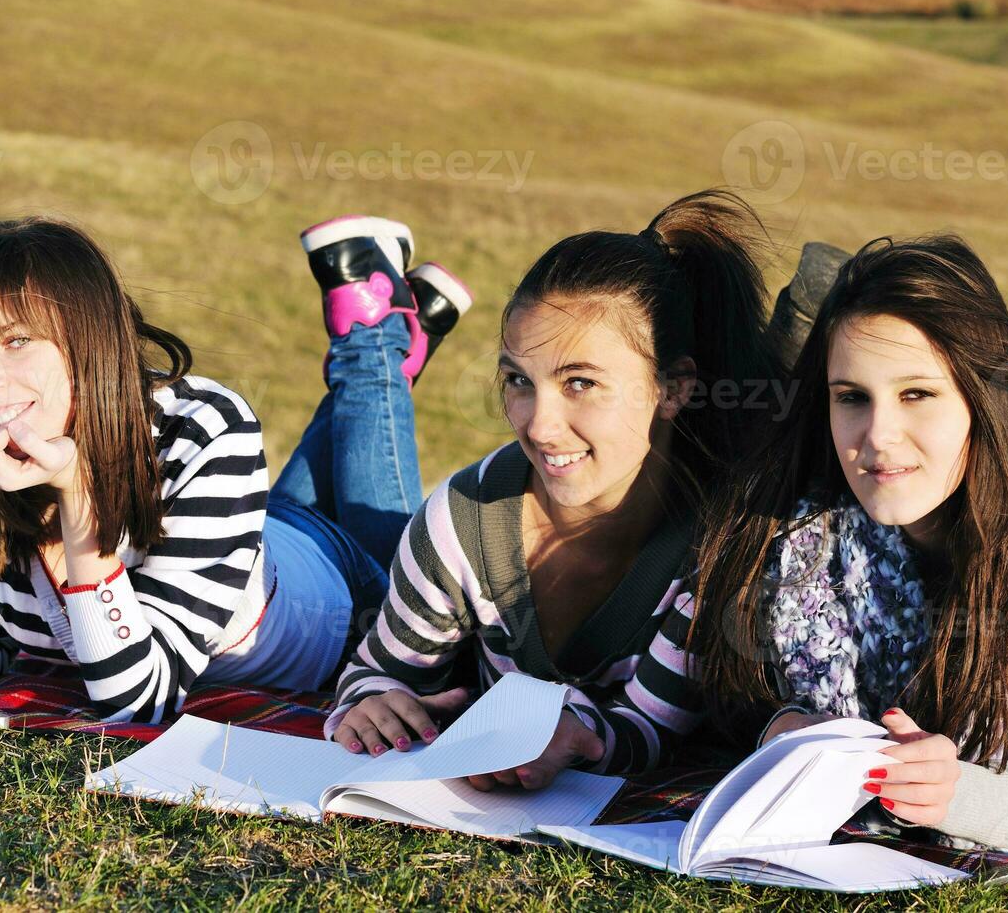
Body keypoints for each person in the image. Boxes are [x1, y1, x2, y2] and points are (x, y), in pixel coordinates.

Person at [0, 213, 473, 722]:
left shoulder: (205, 428)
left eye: (18, 343)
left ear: (86, 340)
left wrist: (71, 510)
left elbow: (138, 699)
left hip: (334, 586)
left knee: (377, 516)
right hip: (228, 536)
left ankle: (373, 335)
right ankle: (399, 331)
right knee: (327, 465)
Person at [690, 234, 1008, 851]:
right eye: (852, 397)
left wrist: (955, 795)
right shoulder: (798, 511)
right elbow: (732, 687)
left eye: (917, 393)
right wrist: (780, 727)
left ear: (982, 395)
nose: (879, 437)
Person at [324, 190, 782, 789]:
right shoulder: (460, 522)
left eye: (581, 383)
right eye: (519, 379)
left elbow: (652, 732)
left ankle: (378, 336)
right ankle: (378, 335)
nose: (538, 426)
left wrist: (573, 736)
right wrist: (373, 702)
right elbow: (375, 674)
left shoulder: (715, 545)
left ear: (672, 389)